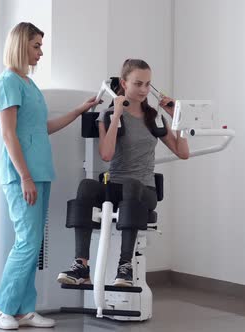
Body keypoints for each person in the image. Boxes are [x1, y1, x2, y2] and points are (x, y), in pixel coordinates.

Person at [0, 22, 100, 330]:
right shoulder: (8, 82)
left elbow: (44, 128)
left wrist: (79, 110)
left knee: (33, 242)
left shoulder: (28, 84)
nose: (40, 51)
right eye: (36, 45)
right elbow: (9, 135)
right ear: (20, 45)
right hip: (21, 175)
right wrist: (24, 176)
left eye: (41, 46)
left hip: (40, 172)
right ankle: (4, 308)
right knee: (27, 242)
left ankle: (25, 310)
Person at [57, 58, 189, 288]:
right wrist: (117, 114)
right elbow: (106, 155)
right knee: (87, 187)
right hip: (116, 186)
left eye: (148, 84)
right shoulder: (108, 115)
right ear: (124, 84)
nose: (144, 90)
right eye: (138, 84)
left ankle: (124, 267)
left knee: (132, 185)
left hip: (144, 191)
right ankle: (81, 266)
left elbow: (182, 152)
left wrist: (179, 119)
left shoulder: (155, 117)